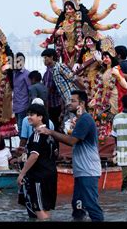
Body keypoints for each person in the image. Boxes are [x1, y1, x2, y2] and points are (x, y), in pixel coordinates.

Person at [37, 90, 104, 222]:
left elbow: (71, 141)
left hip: (88, 171)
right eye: (70, 100)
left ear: (82, 104)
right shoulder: (80, 119)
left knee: (91, 206)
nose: (69, 104)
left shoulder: (85, 119)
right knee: (77, 208)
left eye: (73, 101)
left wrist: (50, 131)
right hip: (80, 172)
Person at [17, 103, 59, 220]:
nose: (28, 117)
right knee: (45, 209)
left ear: (40, 117)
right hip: (51, 174)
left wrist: (22, 173)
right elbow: (55, 153)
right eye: (28, 115)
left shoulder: (38, 134)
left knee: (39, 209)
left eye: (32, 115)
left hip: (39, 177)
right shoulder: (49, 134)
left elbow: (34, 155)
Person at [13, 52, 31, 137]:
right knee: (19, 128)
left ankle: (23, 148)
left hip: (24, 106)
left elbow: (30, 90)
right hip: (16, 106)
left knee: (21, 129)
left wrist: (29, 106)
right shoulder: (14, 74)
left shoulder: (27, 74)